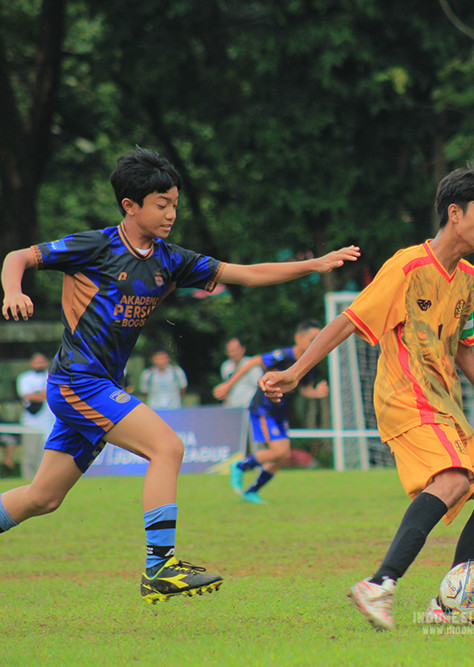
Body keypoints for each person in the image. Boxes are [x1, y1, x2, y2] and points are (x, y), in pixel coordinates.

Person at [0, 147, 360, 603]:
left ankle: (159, 566)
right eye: (161, 205)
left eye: (174, 203)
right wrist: (13, 290)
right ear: (130, 206)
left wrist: (313, 264)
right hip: (77, 382)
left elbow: (243, 274)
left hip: (101, 387)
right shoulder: (96, 246)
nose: (171, 213)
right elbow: (19, 256)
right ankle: (160, 568)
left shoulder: (170, 259)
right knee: (167, 447)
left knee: (42, 498)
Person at [259, 165, 474, 631]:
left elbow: (465, 353)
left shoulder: (470, 280)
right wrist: (295, 371)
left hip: (445, 406)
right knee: (452, 479)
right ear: (456, 213)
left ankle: (452, 605)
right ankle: (379, 584)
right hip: (405, 398)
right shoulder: (407, 266)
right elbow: (348, 320)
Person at [213, 320, 329, 503]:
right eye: (312, 339)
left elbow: (305, 389)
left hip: (279, 413)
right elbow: (253, 362)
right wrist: (229, 385)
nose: (314, 344)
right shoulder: (283, 355)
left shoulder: (307, 364)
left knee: (283, 457)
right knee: (278, 452)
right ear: (298, 338)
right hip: (263, 409)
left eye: (318, 340)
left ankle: (252, 491)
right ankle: (240, 465)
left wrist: (317, 393)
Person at [16, 351, 57, 479]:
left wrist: (41, 394)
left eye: (42, 361)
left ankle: (43, 480)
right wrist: (44, 394)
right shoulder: (25, 378)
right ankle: (28, 479)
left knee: (46, 454)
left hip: (50, 421)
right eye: (37, 361)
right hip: (32, 422)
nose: (40, 364)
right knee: (30, 453)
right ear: (31, 363)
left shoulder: (51, 376)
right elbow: (26, 395)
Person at [219, 337, 263, 408]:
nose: (232, 354)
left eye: (234, 350)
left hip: (249, 408)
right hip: (232, 408)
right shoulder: (225, 366)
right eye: (230, 351)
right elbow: (225, 389)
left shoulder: (252, 365)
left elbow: (259, 388)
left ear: (242, 349)